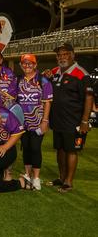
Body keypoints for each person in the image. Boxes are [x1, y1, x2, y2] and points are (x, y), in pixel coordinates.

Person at [45, 43, 94, 193]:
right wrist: (46, 75)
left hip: (74, 122)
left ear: (73, 55)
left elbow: (89, 98)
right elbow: (42, 79)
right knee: (60, 149)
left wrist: (85, 121)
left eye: (65, 54)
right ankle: (61, 177)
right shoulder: (55, 71)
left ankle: (68, 182)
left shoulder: (81, 73)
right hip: (58, 120)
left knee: (71, 150)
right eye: (59, 55)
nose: (62, 57)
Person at [17, 54, 53, 190]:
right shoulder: (18, 80)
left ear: (35, 64)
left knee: (35, 148)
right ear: (21, 65)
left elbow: (47, 103)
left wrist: (45, 121)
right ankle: (27, 174)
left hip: (38, 122)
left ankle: (36, 177)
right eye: (24, 63)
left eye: (30, 63)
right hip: (23, 122)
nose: (27, 66)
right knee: (26, 148)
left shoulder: (43, 80)